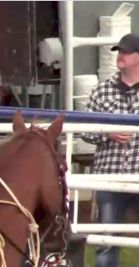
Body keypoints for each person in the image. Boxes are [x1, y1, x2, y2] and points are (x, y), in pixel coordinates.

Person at [82, 33, 139, 267]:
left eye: (125, 51)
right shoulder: (101, 91)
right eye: (119, 51)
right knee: (107, 241)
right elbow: (84, 130)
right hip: (109, 177)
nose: (120, 56)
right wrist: (107, 133)